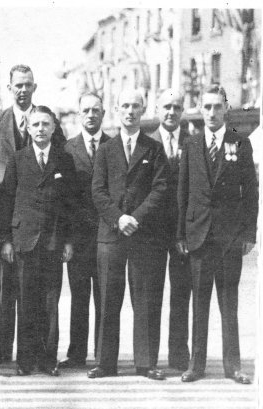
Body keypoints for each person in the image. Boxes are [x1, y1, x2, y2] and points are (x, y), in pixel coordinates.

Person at [177, 84, 258, 384]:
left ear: (226, 109)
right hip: (199, 237)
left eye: (217, 107)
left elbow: (251, 192)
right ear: (200, 109)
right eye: (207, 107)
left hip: (229, 238)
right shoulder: (191, 145)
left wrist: (249, 232)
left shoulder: (240, 143)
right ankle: (195, 366)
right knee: (199, 303)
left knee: (229, 303)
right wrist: (181, 236)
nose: (212, 112)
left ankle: (233, 366)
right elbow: (182, 193)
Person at [0, 64, 65, 366]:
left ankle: (40, 352)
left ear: (35, 87)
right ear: (9, 88)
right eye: (17, 85)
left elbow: (59, 161)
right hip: (9, 216)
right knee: (8, 287)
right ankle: (6, 348)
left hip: (42, 222)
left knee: (40, 292)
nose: (22, 90)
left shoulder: (48, 120)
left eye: (27, 85)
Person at [89, 89, 169, 380]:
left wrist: (135, 218)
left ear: (143, 110)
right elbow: (97, 191)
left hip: (143, 234)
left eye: (136, 106)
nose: (131, 111)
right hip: (111, 234)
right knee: (108, 297)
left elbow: (160, 189)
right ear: (116, 109)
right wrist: (118, 218)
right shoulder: (105, 150)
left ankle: (146, 363)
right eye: (125, 105)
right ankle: (105, 363)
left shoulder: (153, 148)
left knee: (145, 298)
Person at [0, 105, 77, 376]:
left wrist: (68, 241)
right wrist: (5, 240)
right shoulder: (18, 160)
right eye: (36, 125)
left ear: (54, 128)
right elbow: (5, 202)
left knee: (50, 302)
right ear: (28, 130)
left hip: (53, 241)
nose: (41, 129)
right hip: (24, 241)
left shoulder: (63, 160)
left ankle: (48, 359)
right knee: (26, 300)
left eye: (46, 124)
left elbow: (69, 204)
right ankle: (25, 360)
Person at [59, 93, 110, 369]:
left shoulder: (113, 146)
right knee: (79, 298)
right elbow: (64, 199)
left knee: (104, 297)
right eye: (86, 110)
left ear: (103, 113)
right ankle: (77, 353)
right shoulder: (68, 149)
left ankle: (103, 354)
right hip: (78, 238)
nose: (91, 115)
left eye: (95, 110)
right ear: (79, 114)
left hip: (106, 236)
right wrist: (67, 239)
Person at [149, 89, 191, 372]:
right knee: (151, 294)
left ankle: (178, 354)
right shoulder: (147, 142)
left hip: (183, 232)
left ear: (182, 110)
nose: (171, 112)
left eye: (177, 107)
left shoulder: (193, 142)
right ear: (157, 108)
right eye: (166, 106)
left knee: (181, 294)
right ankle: (148, 357)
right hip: (152, 231)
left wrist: (186, 232)